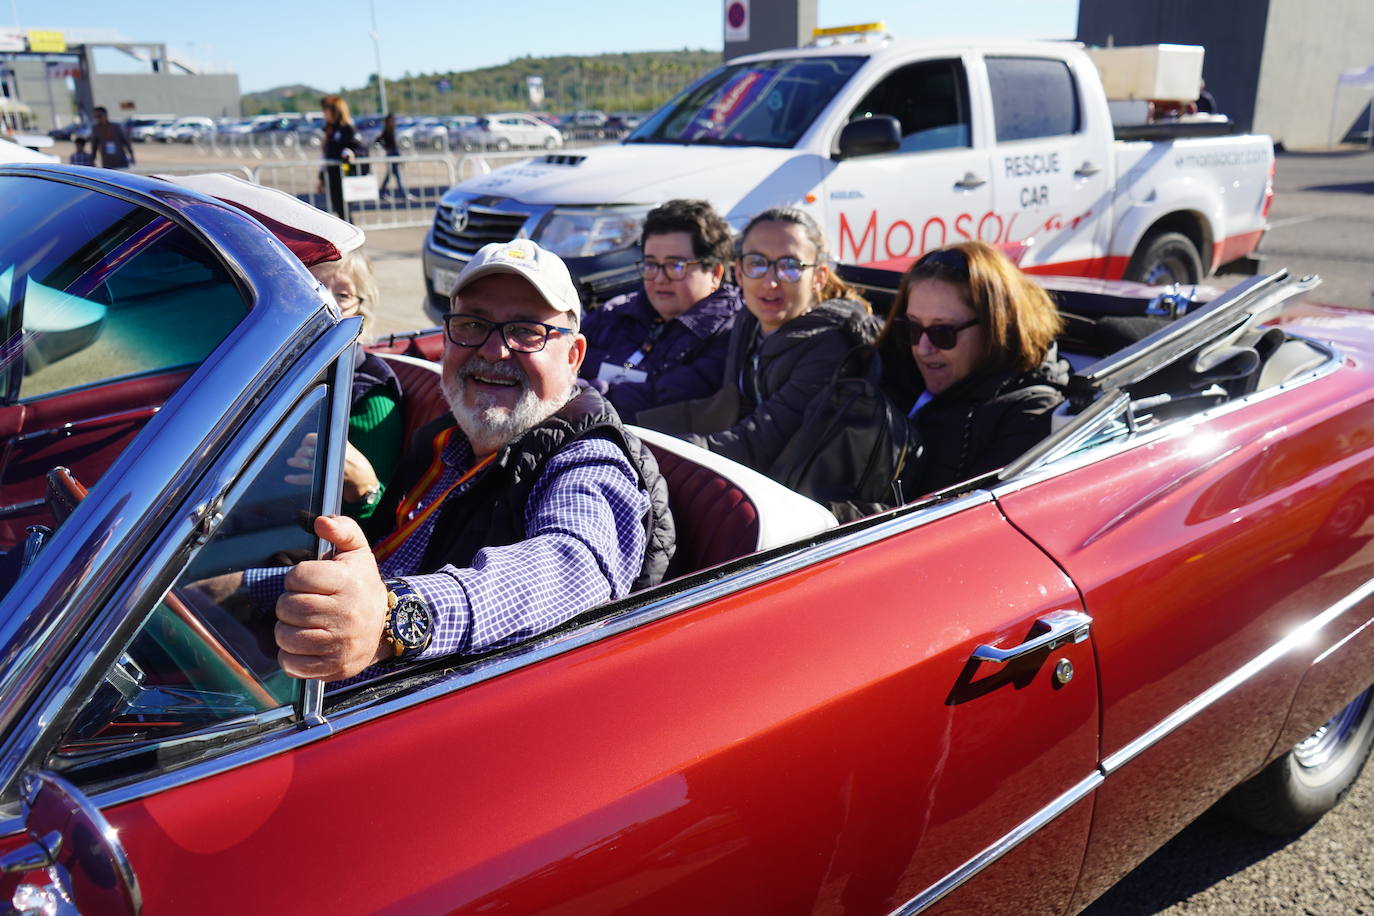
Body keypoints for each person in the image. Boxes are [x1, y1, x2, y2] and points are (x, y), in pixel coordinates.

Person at [211, 239, 673, 683]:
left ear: (573, 356)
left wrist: (395, 620)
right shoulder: (445, 443)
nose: (494, 350)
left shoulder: (589, 458)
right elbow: (382, 565)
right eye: (472, 324)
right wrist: (245, 588)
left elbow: (570, 566)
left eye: (527, 331)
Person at [639, 206, 878, 476]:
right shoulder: (748, 321)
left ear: (819, 278)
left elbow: (760, 443)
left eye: (790, 266)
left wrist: (653, 454)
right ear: (739, 272)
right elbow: (725, 407)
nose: (770, 282)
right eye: (757, 263)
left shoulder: (831, 347)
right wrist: (629, 428)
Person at [878, 241, 1069, 499]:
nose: (923, 349)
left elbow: (943, 519)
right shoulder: (896, 371)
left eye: (942, 332)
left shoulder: (1029, 412)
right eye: (912, 328)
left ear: (995, 327)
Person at [579, 199, 743, 422]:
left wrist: (579, 395)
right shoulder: (615, 312)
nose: (659, 278)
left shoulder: (730, 334)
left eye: (676, 266)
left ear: (715, 272)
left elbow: (665, 400)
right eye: (651, 265)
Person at [302, 250, 403, 522]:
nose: (328, 304)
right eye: (316, 288)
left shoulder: (371, 398)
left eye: (343, 295)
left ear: (360, 310)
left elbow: (377, 516)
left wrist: (361, 487)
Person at [320, 96, 360, 220]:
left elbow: (358, 148)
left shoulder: (347, 129)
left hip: (345, 175)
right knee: (339, 210)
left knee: (345, 212)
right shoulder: (329, 130)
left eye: (326, 110)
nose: (324, 114)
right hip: (332, 176)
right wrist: (321, 177)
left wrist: (350, 152)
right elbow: (325, 154)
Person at [376, 112, 411, 200]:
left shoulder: (392, 130)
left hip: (395, 153)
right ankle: (402, 193)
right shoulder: (386, 131)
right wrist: (386, 149)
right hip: (391, 154)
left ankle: (383, 192)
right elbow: (378, 141)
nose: (394, 122)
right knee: (394, 175)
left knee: (393, 175)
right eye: (392, 120)